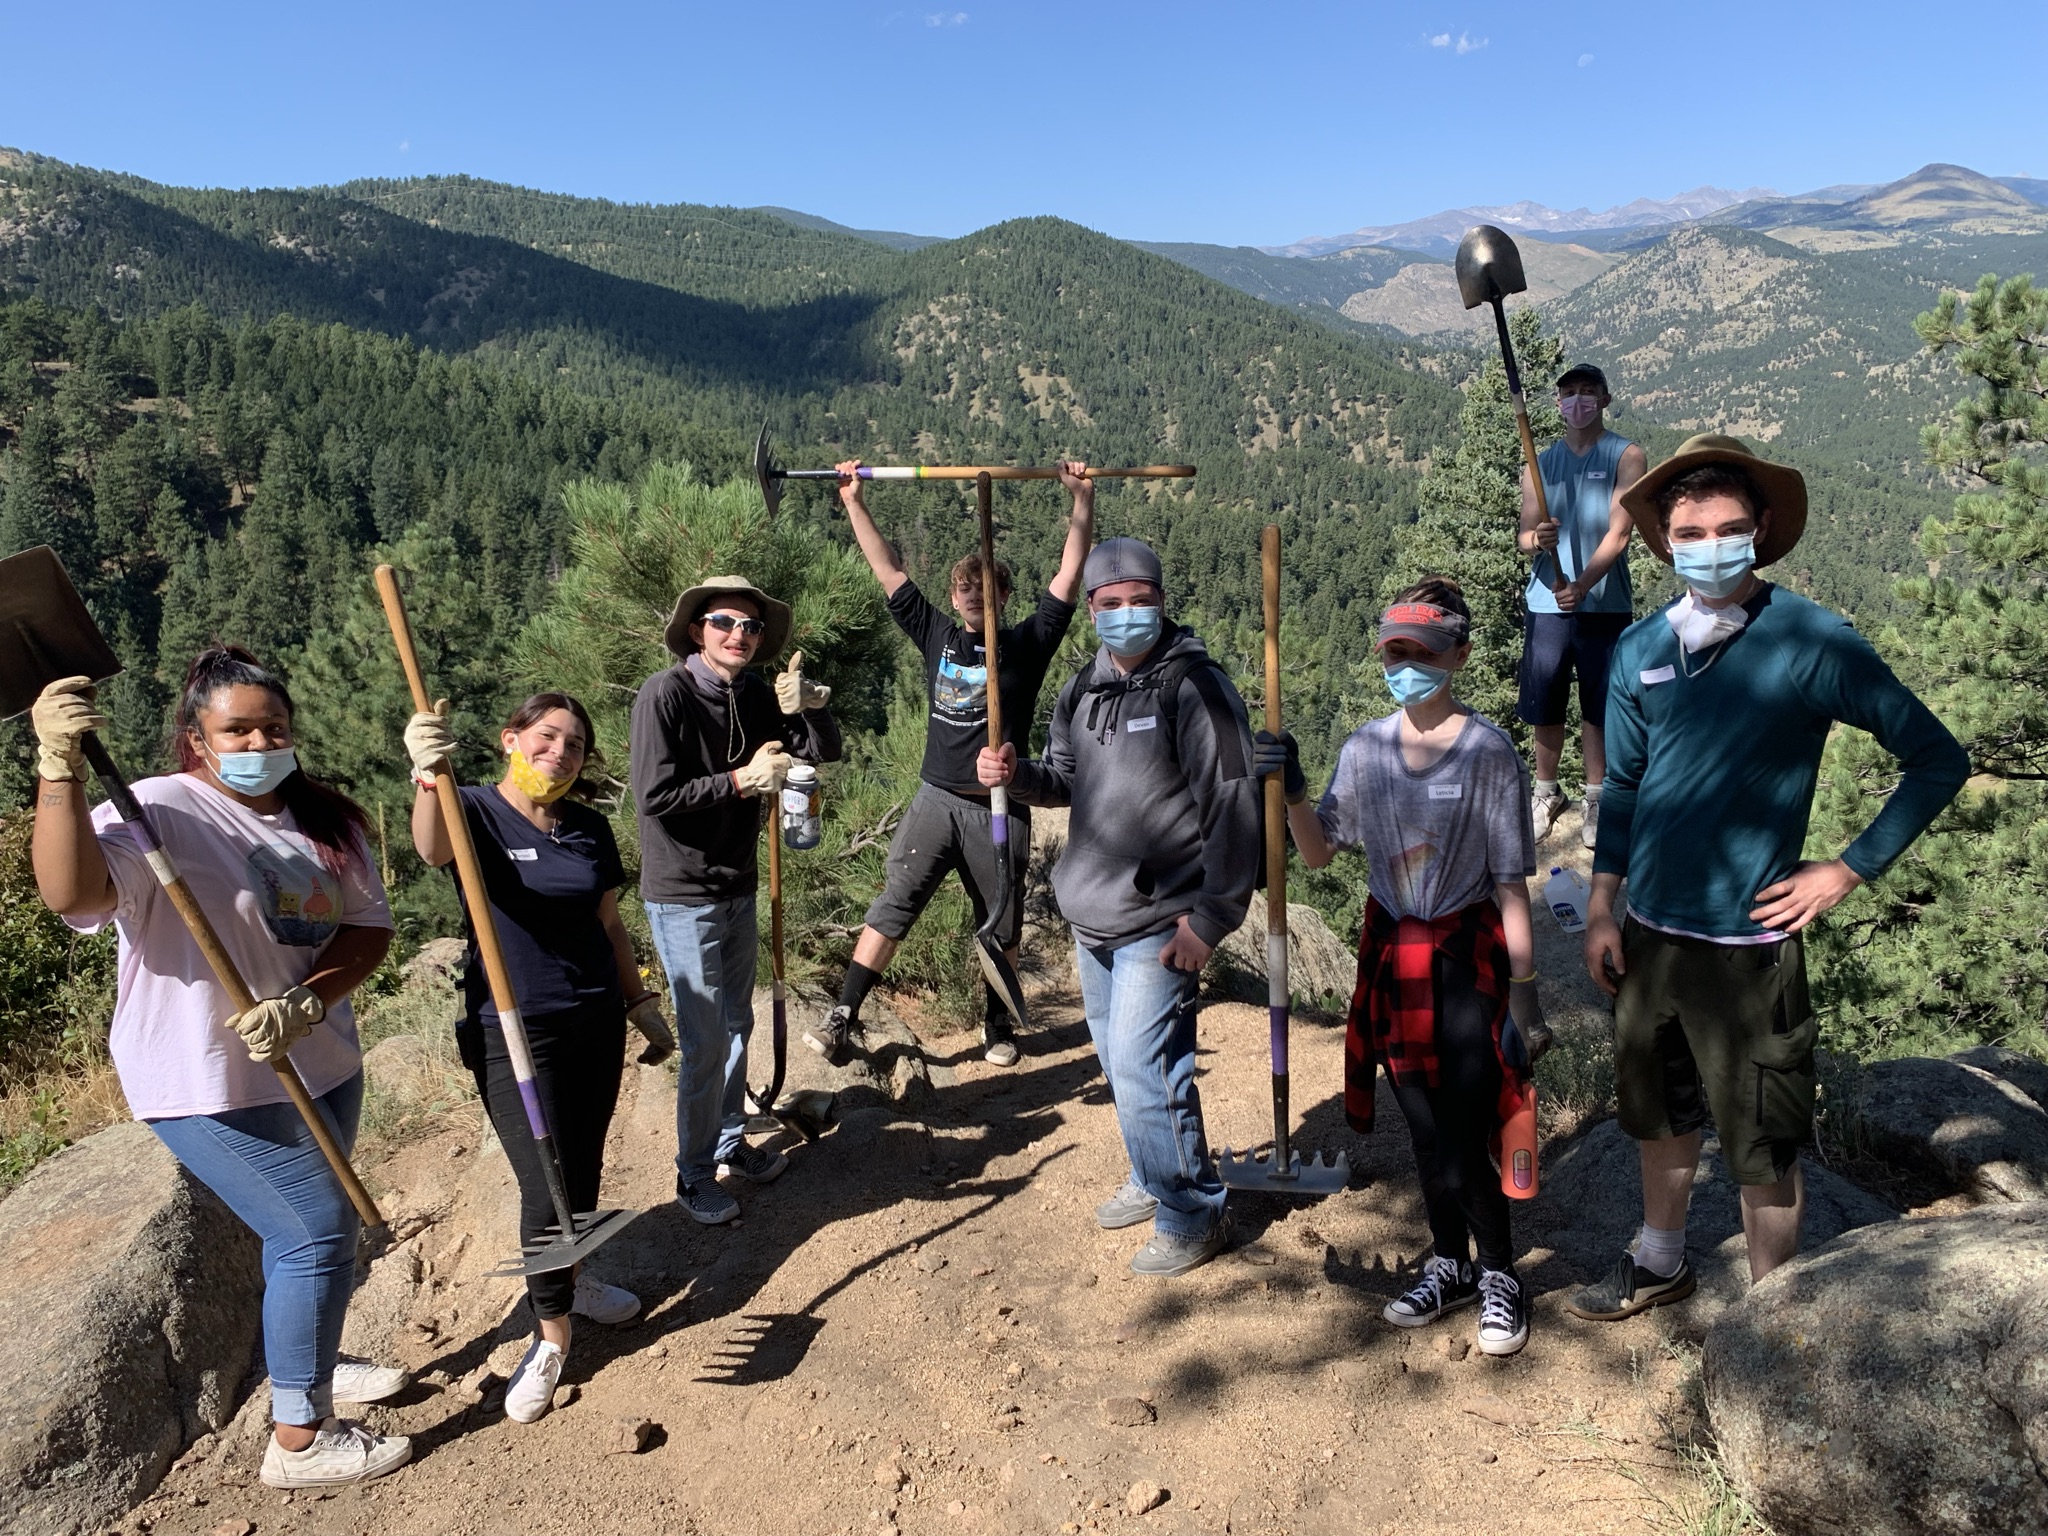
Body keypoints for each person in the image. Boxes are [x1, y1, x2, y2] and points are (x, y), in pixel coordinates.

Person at [1569, 435, 1968, 1320]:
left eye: (1731, 528)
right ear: (1665, 544)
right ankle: (1662, 1257)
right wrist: (1603, 904)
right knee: (1660, 1114)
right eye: (1691, 531)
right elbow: (1625, 786)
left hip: (1750, 948)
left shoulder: (1812, 639)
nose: (1712, 544)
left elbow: (1936, 759)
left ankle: (1772, 1325)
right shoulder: (1641, 650)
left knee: (1764, 1147)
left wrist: (1847, 870)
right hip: (1651, 937)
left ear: (1763, 531)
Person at [28, 648, 411, 1488]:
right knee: (315, 1230)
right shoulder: (155, 808)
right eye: (237, 726)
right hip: (202, 1077)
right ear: (198, 738)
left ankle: (307, 1360)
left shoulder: (327, 820)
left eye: (273, 725)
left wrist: (308, 1000)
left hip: (319, 1060)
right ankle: (300, 1441)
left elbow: (367, 928)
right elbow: (73, 896)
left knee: (303, 1240)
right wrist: (57, 769)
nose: (258, 739)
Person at [1259, 579, 1546, 1356]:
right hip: (1394, 961)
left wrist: (1525, 995)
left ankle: (1500, 1275)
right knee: (1422, 1127)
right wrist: (1286, 790)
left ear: (1458, 655)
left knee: (1462, 1129)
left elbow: (1511, 881)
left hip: (1464, 962)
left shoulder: (1488, 754)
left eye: (1420, 652)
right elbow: (1318, 851)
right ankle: (1449, 1262)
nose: (1405, 664)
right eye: (1394, 651)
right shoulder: (1364, 749)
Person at [977, 537, 1258, 1277]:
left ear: (1162, 603)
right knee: (1123, 1064)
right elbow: (1065, 779)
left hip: (1161, 918)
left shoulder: (1196, 688)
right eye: (1110, 605)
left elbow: (1234, 803)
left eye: (1141, 602)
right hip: (1091, 916)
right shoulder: (1085, 688)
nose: (1127, 615)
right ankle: (1155, 1172)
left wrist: (1211, 920)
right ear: (1092, 611)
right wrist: (1015, 774)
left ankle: (1193, 1214)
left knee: (1142, 1067)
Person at [403, 691, 676, 1423]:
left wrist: (637, 1001)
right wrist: (427, 774)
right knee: (544, 1179)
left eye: (575, 745)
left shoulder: (587, 827)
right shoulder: (471, 810)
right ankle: (551, 1337)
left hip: (594, 1019)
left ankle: (573, 1279)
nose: (560, 752)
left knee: (582, 1163)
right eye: (547, 737)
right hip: (512, 1029)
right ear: (511, 740)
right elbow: (431, 848)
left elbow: (609, 925)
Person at [809, 459, 1094, 1068]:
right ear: (953, 595)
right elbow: (887, 569)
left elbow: (1070, 574)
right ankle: (844, 1016)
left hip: (1000, 803)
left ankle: (998, 1028)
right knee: (894, 904)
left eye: (984, 585)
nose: (972, 591)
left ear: (1003, 595)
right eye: (964, 584)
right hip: (936, 800)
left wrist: (1080, 502)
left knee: (1002, 918)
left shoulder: (1027, 641)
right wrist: (855, 501)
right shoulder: (937, 634)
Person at [631, 577, 842, 1226]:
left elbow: (822, 753)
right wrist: (740, 780)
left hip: (737, 884)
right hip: (682, 894)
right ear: (698, 631)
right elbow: (655, 797)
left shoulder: (753, 694)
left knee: (735, 1026)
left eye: (750, 627)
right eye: (724, 622)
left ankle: (729, 1145)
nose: (739, 635)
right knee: (702, 1041)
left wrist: (808, 707)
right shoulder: (662, 696)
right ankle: (693, 1174)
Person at [1517, 363, 1646, 848]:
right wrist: (1537, 538)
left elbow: (1622, 530)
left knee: (1599, 705)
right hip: (1546, 601)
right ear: (1557, 404)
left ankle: (1597, 798)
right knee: (1545, 700)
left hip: (1604, 603)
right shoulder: (1539, 461)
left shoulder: (1627, 455)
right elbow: (1525, 534)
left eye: (1588, 392)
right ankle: (1546, 793)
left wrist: (1585, 584)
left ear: (1605, 399)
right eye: (1569, 392)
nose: (1578, 400)